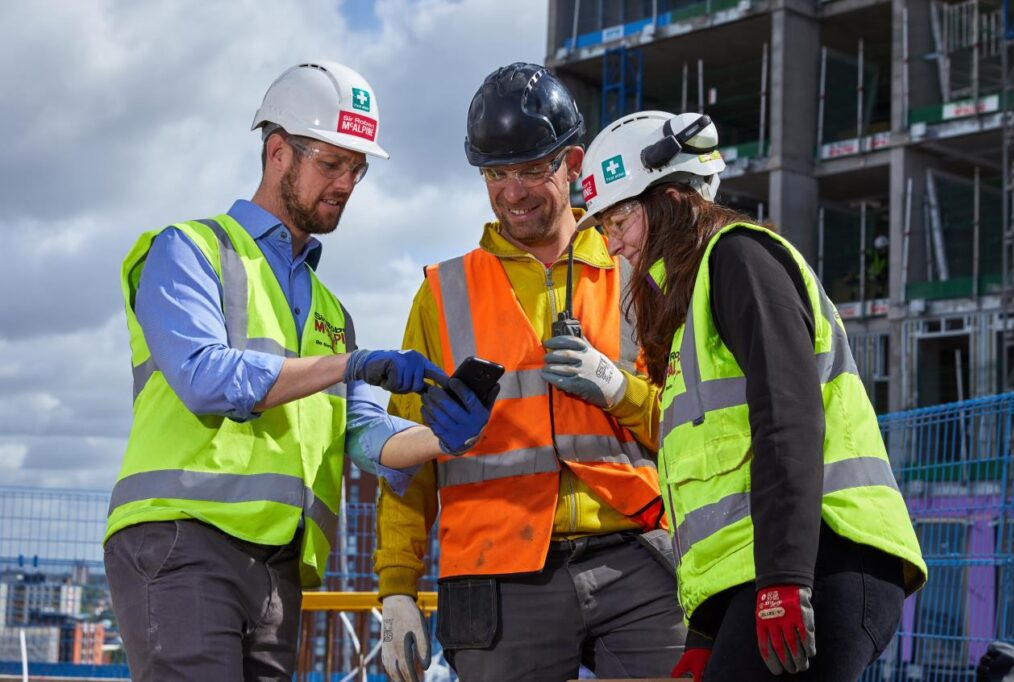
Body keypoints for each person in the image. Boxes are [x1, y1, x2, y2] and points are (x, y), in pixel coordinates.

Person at [104, 61, 494, 682]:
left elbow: (363, 435)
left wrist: (446, 437)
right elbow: (206, 377)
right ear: (279, 152)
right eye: (332, 164)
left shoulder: (332, 312)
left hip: (278, 568)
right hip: (182, 540)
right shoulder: (188, 250)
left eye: (358, 169)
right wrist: (353, 364)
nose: (347, 183)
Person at [574, 109, 928, 681]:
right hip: (785, 570)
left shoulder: (739, 258)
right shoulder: (696, 304)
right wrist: (705, 634)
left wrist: (785, 581)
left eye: (618, 220)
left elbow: (787, 419)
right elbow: (727, 493)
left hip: (824, 562)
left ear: (668, 197)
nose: (613, 247)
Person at [372, 63, 686, 682]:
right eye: (496, 174)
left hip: (637, 555)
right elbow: (402, 455)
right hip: (497, 573)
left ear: (572, 164)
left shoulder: (636, 271)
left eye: (531, 170)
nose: (512, 192)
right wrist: (397, 589)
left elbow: (691, 420)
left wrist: (622, 393)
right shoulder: (442, 294)